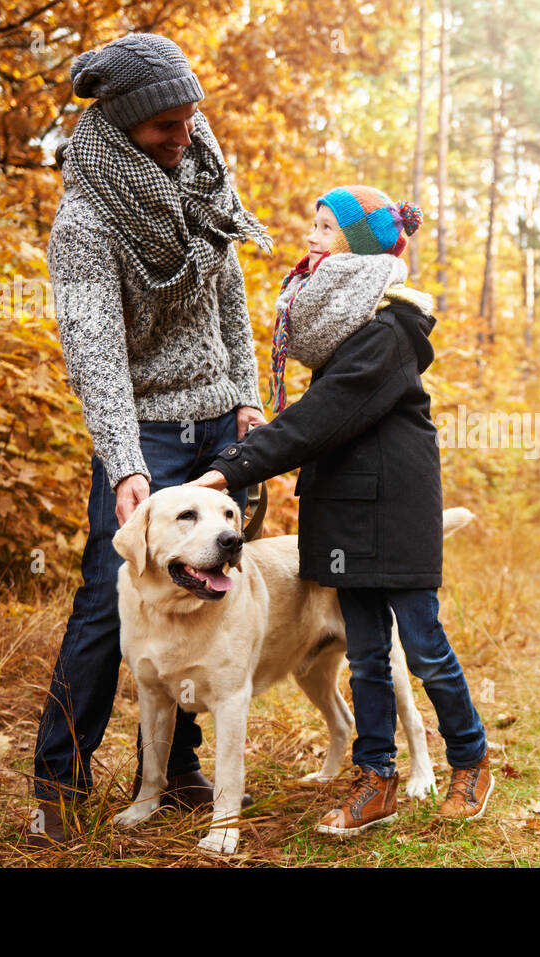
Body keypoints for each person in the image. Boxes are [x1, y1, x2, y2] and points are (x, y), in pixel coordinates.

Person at [29, 32, 272, 846]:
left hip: (216, 427)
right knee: (112, 594)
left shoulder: (203, 172)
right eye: (166, 124)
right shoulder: (86, 220)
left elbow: (230, 295)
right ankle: (57, 783)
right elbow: (94, 354)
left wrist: (246, 396)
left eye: (190, 117)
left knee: (209, 589)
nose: (185, 134)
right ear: (126, 123)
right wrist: (125, 463)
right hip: (146, 433)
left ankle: (176, 769)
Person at [189, 184, 492, 835]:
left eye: (326, 227)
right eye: (314, 223)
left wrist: (230, 468)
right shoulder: (346, 326)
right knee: (365, 656)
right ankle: (376, 778)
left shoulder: (386, 333)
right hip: (345, 514)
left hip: (398, 512)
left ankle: (470, 760)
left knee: (424, 646)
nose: (312, 234)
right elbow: (322, 426)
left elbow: (318, 420)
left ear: (355, 246)